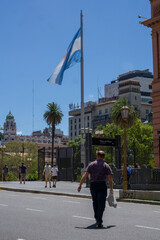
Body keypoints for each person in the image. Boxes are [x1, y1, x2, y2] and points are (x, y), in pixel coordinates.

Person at [77, 150, 114, 228]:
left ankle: (97, 217)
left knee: (95, 201)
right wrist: (111, 189)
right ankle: (99, 219)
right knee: (102, 203)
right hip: (102, 185)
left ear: (97, 156)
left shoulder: (91, 164)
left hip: (93, 185)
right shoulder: (106, 165)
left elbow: (85, 175)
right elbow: (110, 178)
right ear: (103, 157)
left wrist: (80, 185)